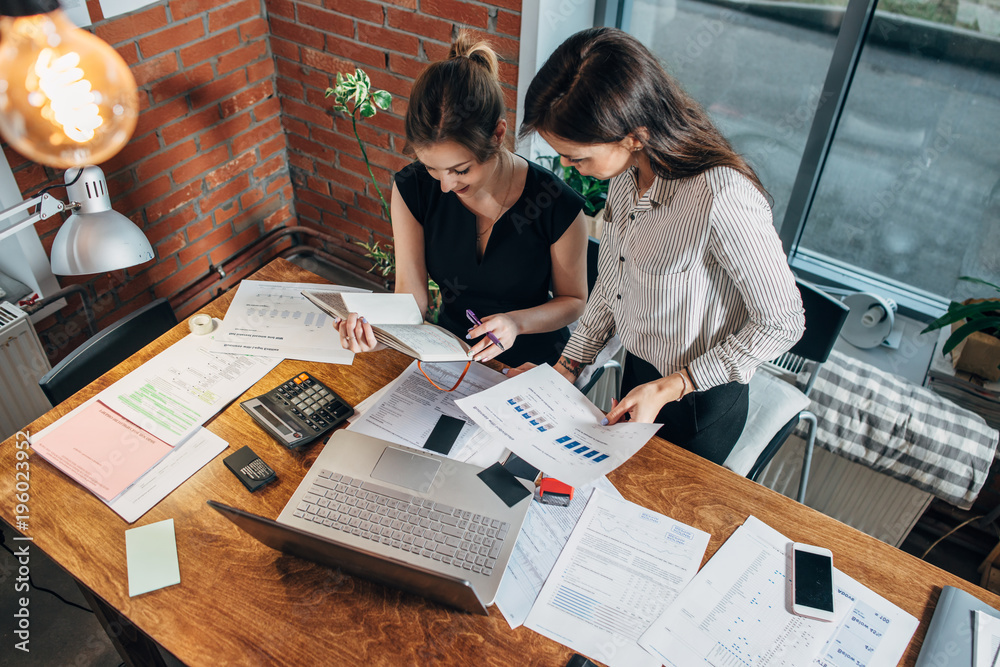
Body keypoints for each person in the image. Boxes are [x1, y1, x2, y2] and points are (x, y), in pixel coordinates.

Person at [515, 27, 805, 465]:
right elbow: (612, 286)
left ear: (634, 134)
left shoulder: (721, 197)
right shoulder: (627, 178)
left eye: (578, 157)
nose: (568, 168)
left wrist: (674, 385)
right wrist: (567, 369)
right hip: (640, 374)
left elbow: (784, 322)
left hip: (697, 401)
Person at [335, 32, 588, 368]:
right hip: (452, 352)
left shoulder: (556, 203)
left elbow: (573, 301)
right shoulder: (414, 187)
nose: (444, 186)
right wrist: (375, 334)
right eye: (432, 168)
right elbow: (411, 295)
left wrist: (516, 322)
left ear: (498, 135)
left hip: (533, 366)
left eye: (460, 170)